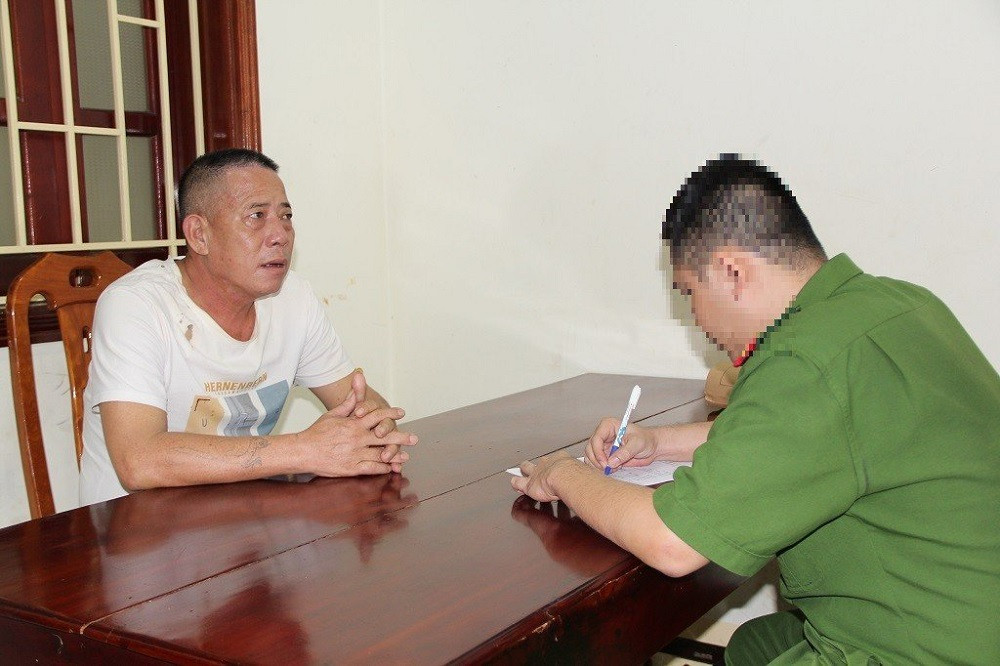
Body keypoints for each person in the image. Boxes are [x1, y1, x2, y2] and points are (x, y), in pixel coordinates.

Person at [511, 155, 1000, 664]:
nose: (698, 320)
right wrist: (658, 442)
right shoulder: (899, 305)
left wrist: (564, 473)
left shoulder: (802, 360)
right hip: (966, 618)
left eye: (690, 293)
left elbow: (672, 544)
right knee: (751, 647)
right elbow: (817, 432)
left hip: (924, 651)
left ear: (732, 271)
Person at [80, 148, 417, 505]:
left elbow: (361, 402)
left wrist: (374, 433)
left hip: (244, 515)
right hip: (136, 526)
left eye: (286, 216)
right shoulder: (136, 305)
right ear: (199, 235)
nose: (280, 235)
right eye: (256, 216)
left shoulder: (293, 298)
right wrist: (305, 450)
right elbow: (139, 461)